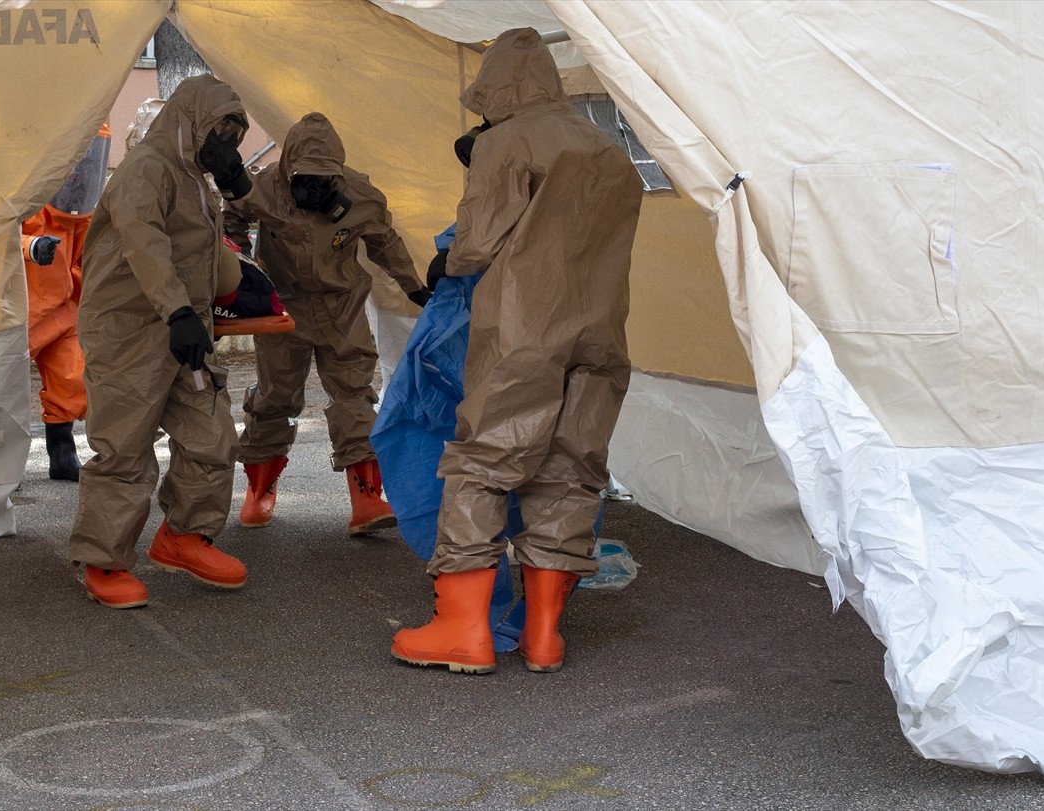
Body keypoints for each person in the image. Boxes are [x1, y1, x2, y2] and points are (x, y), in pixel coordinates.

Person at [391, 27, 644, 674]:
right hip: (601, 331)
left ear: (500, 86)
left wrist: (447, 259)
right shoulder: (607, 148)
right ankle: (543, 635)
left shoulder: (507, 141)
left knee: (483, 461)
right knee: (569, 468)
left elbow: (474, 246)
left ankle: (465, 630)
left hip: (525, 329)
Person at [68, 74, 255, 609]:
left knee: (211, 435)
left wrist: (239, 186)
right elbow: (143, 242)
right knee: (123, 446)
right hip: (129, 329)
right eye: (220, 128)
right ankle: (104, 559)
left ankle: (184, 537)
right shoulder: (147, 169)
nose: (227, 141)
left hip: (183, 329)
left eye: (234, 132)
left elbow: (207, 253)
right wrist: (177, 311)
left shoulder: (197, 178)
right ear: (192, 120)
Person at [223, 112, 429, 536]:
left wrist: (415, 287)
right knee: (274, 397)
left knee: (354, 392)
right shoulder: (264, 188)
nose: (314, 189)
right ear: (288, 169)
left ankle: (366, 498)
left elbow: (384, 242)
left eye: (324, 180)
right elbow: (232, 216)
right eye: (305, 178)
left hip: (341, 305)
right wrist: (240, 265)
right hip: (282, 308)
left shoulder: (361, 194)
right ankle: (259, 490)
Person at [19, 123, 112, 482]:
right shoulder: (28, 198)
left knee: (72, 379)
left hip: (63, 310)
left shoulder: (81, 213)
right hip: (17, 316)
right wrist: (30, 246)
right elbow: (1, 236)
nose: (82, 169)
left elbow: (89, 258)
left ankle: (62, 453)